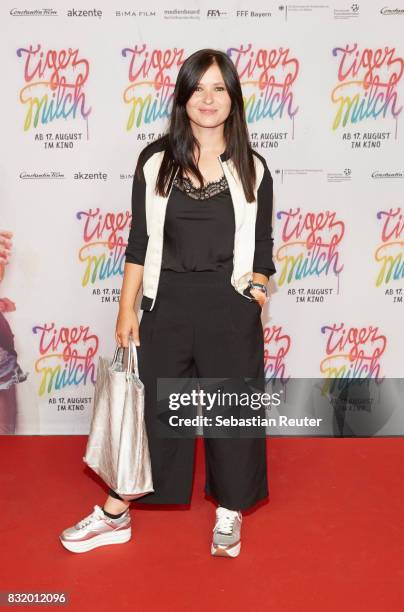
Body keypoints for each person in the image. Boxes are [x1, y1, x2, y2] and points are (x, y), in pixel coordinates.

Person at [59, 48, 276, 558]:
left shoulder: (254, 167)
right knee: (153, 412)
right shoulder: (155, 160)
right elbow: (138, 242)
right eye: (198, 87)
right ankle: (116, 512)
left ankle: (229, 511)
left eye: (219, 88)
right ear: (183, 96)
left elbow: (262, 244)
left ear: (233, 98)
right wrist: (124, 309)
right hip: (165, 305)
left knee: (231, 414)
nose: (208, 98)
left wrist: (257, 291)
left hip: (229, 306)